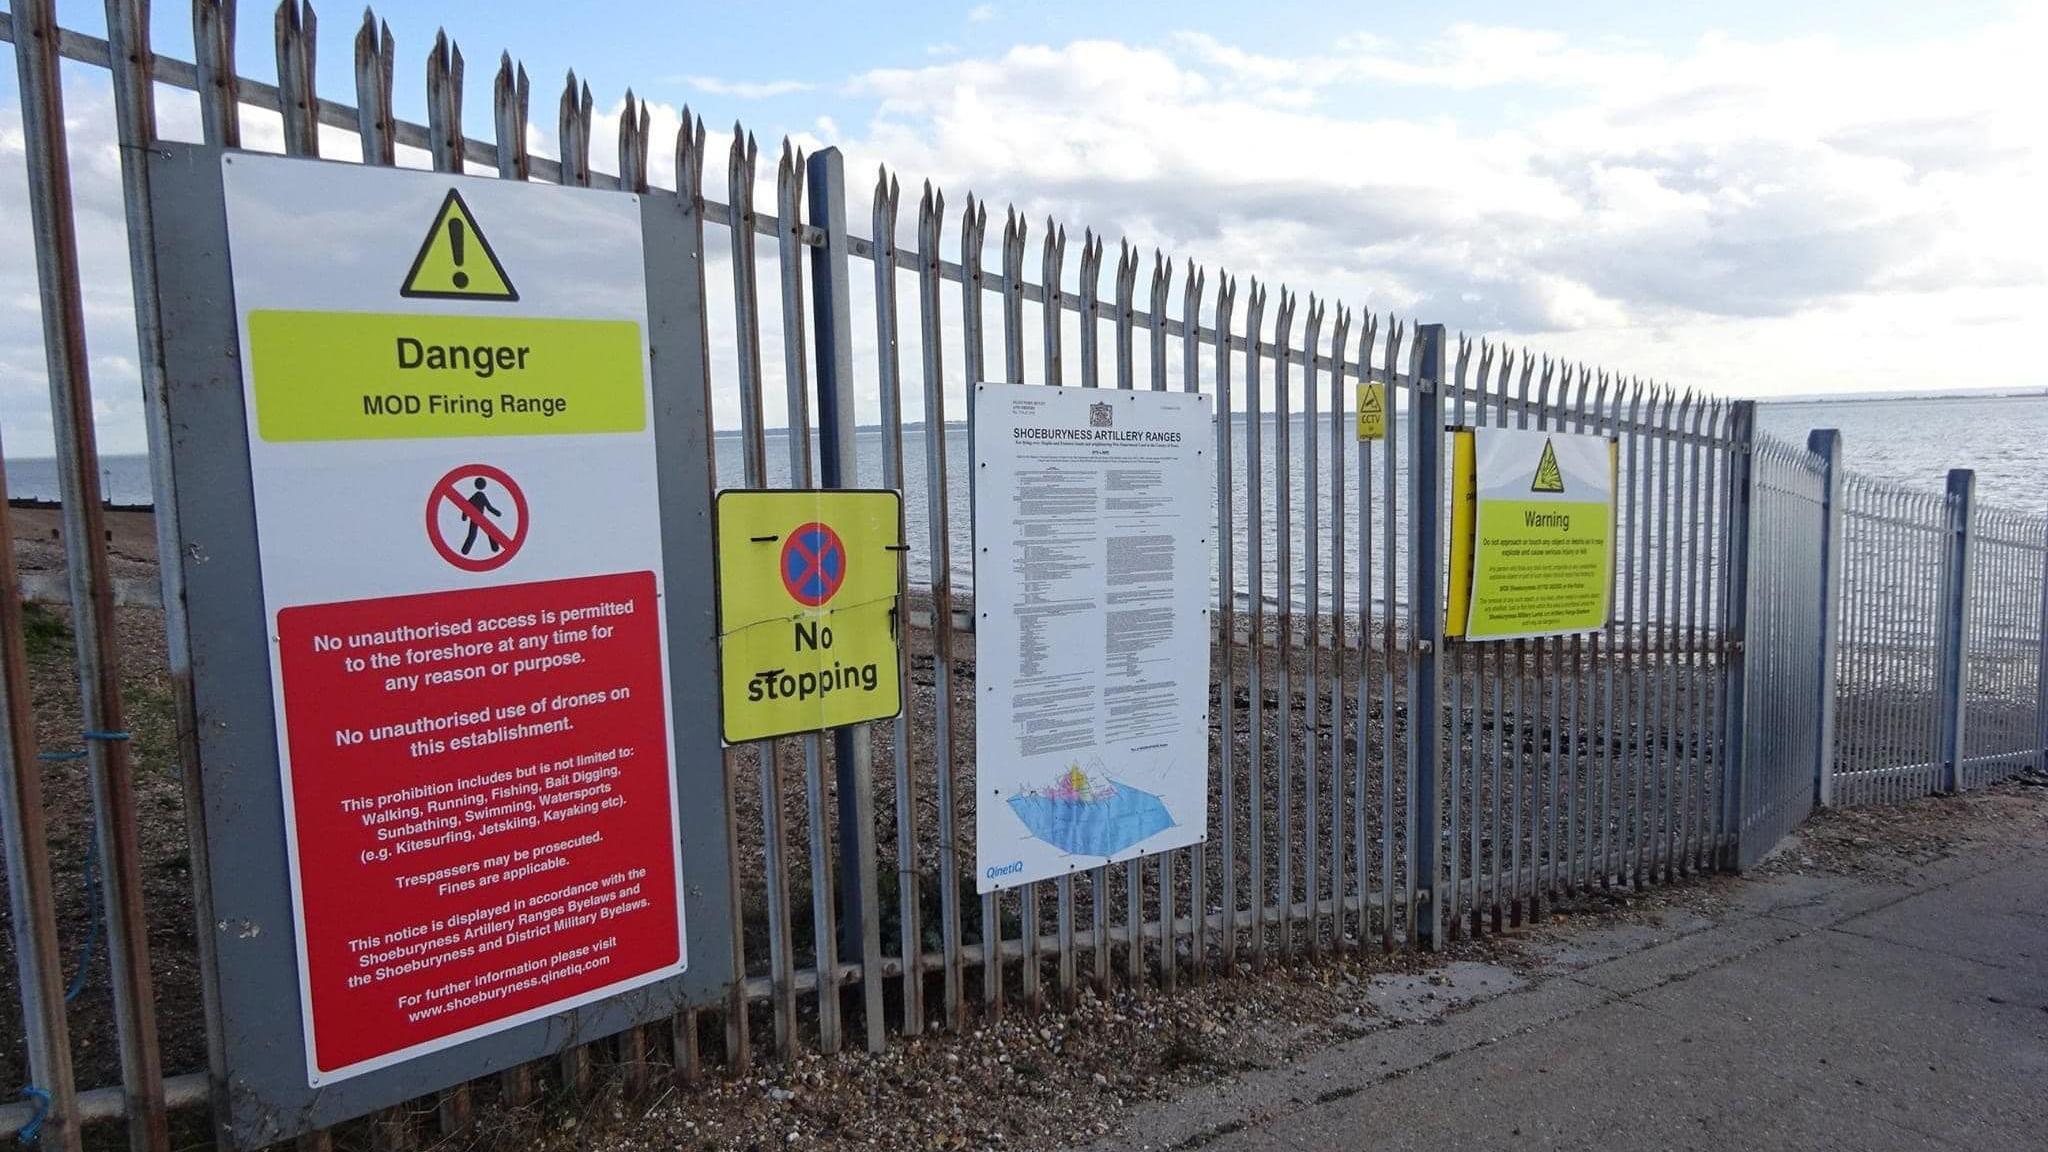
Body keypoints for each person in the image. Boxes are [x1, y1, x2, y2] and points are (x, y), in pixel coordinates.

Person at [460, 477, 503, 555]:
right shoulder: (480, 496)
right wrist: (497, 513)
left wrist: (464, 517)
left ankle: (465, 550)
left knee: (475, 534)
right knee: (488, 531)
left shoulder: (477, 496)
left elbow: (466, 506)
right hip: (479, 518)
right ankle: (494, 547)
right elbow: (489, 507)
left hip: (477, 518)